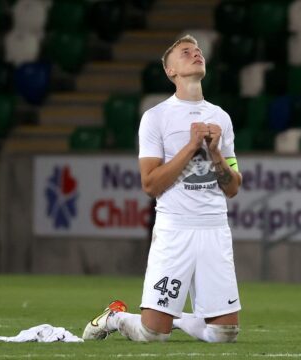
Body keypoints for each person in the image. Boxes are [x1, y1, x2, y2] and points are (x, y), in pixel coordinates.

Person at [82, 34, 242, 343]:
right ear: (170, 71)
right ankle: (115, 317)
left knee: (224, 334)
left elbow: (233, 188)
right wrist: (192, 146)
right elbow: (150, 183)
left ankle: (178, 318)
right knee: (153, 335)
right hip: (175, 230)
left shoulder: (220, 117)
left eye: (198, 51)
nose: (196, 54)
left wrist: (216, 152)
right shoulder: (156, 117)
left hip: (215, 229)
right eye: (185, 52)